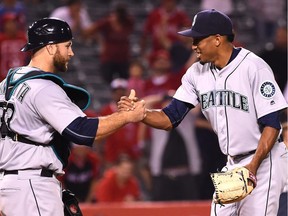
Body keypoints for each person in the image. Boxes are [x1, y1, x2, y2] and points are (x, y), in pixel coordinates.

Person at [119, 9, 288, 215]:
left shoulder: (254, 67)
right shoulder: (196, 73)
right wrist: (143, 114)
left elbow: (272, 124)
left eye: (198, 39)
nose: (193, 45)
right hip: (232, 163)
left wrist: (252, 166)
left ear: (217, 39)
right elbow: (170, 118)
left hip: (264, 161)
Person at [0, 17, 145, 216]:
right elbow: (82, 132)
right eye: (67, 45)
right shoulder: (42, 87)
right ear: (50, 47)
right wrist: (127, 116)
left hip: (9, 185)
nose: (71, 52)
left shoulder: (6, 85)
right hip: (31, 185)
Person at [84, 2, 134, 84]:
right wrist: (99, 40)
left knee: (125, 83)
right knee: (107, 82)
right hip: (108, 58)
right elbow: (90, 31)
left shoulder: (129, 22)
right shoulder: (107, 22)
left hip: (124, 58)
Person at [98, 78, 141, 168]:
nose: (119, 94)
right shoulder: (105, 110)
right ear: (112, 93)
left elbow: (138, 128)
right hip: (112, 152)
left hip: (132, 151)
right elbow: (99, 132)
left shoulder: (134, 109)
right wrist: (101, 152)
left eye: (122, 91)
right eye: (116, 91)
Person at [0, 13, 29, 81]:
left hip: (21, 77)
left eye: (14, 23)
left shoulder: (23, 38)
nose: (13, 25)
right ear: (4, 25)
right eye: (10, 23)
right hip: (3, 78)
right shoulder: (1, 40)